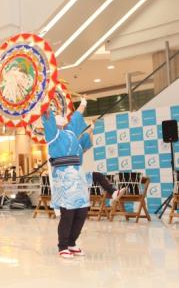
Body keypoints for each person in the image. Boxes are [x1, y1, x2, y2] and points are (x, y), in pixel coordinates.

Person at [42, 95, 90, 259]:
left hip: (77, 176)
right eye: (57, 117)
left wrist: (83, 103)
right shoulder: (53, 136)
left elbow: (76, 117)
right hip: (63, 177)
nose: (61, 117)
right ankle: (63, 245)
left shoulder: (70, 131)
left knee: (82, 211)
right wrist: (45, 104)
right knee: (68, 212)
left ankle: (72, 242)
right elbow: (47, 117)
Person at [78, 126, 126, 202]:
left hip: (75, 178)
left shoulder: (75, 148)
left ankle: (114, 192)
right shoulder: (76, 146)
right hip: (74, 179)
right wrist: (92, 126)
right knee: (98, 176)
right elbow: (85, 136)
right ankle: (113, 192)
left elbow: (86, 140)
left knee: (98, 176)